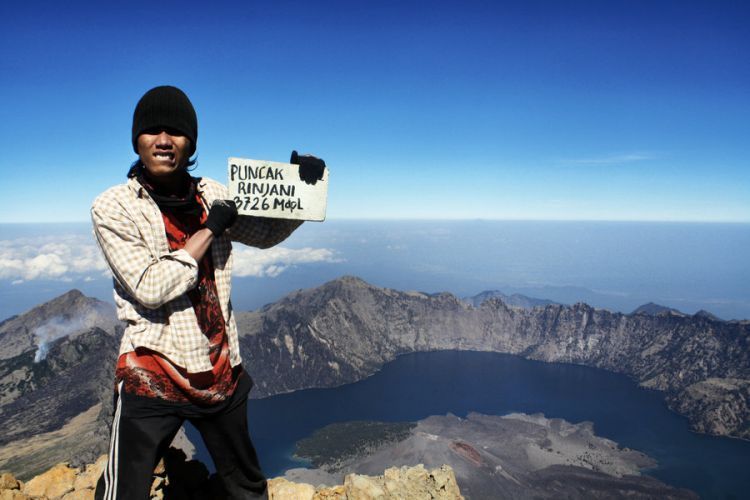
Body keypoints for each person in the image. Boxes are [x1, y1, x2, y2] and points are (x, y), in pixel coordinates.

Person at [91, 85, 324, 499]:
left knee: (246, 486)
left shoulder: (213, 193)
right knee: (123, 491)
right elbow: (151, 286)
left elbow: (264, 234)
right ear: (137, 141)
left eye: (176, 132)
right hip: (152, 373)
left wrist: (301, 192)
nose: (164, 141)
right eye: (153, 131)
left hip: (218, 370)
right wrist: (210, 228)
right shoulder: (113, 207)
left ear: (190, 142)